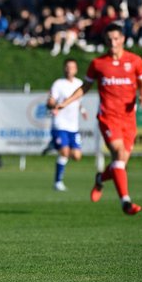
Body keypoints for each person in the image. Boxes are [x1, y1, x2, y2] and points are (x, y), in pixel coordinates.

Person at [56, 23, 142, 215]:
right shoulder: (98, 63)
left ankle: (100, 179)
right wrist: (66, 102)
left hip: (129, 119)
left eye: (116, 39)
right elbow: (85, 87)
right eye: (109, 39)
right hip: (108, 117)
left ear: (122, 39)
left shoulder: (135, 61)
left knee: (120, 161)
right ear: (105, 41)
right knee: (118, 151)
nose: (113, 42)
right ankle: (126, 201)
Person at [47, 59, 88, 191]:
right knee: (64, 152)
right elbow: (51, 101)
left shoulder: (79, 83)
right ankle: (58, 182)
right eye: (67, 67)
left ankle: (53, 144)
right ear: (64, 68)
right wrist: (53, 106)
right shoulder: (58, 84)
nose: (69, 69)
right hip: (60, 124)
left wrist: (82, 110)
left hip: (73, 126)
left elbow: (77, 100)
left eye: (72, 67)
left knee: (76, 156)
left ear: (76, 69)